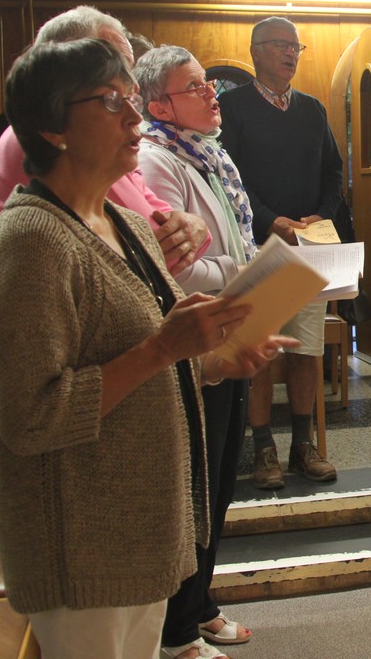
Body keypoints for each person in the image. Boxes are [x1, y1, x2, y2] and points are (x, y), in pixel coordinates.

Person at [0, 38, 288, 659]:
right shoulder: (30, 241)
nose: (135, 118)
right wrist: (164, 348)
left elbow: (155, 354)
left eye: (132, 100)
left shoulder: (126, 223)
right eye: (111, 102)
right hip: (81, 541)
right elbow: (31, 417)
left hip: (139, 525)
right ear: (52, 127)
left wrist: (215, 361)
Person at [135, 46, 260, 658]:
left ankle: (200, 600)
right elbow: (177, 271)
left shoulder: (208, 154)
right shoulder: (156, 159)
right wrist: (247, 273)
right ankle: (178, 627)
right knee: (197, 483)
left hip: (229, 322)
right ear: (160, 105)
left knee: (221, 476)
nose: (212, 93)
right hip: (195, 332)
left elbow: (229, 236)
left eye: (209, 83)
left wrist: (246, 273)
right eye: (195, 87)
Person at [0, 5, 209, 274]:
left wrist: (197, 224)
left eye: (128, 71)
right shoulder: (55, 139)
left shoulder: (105, 144)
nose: (135, 114)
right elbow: (158, 251)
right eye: (110, 95)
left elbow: (166, 237)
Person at [219, 16, 341, 489]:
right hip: (259, 247)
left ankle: (303, 447)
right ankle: (263, 449)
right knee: (261, 353)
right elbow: (230, 179)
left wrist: (319, 217)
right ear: (257, 51)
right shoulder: (232, 108)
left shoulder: (312, 109)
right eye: (281, 45)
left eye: (296, 47)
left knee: (307, 351)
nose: (291, 53)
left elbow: (333, 171)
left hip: (309, 245)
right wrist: (272, 220)